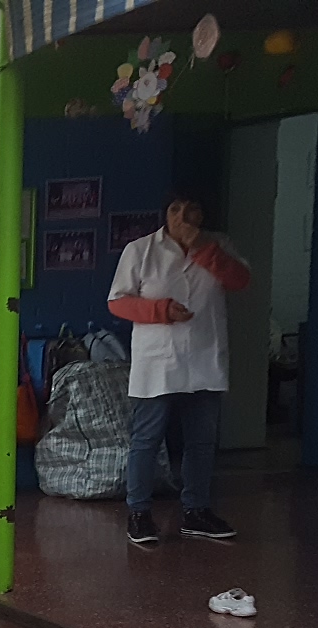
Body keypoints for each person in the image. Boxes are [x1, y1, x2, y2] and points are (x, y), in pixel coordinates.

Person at [108, 191, 249, 546]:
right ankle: (139, 514)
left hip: (205, 355)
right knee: (146, 439)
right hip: (158, 359)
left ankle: (196, 512)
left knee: (201, 441)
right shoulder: (141, 249)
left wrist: (203, 249)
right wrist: (160, 311)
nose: (182, 217)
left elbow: (240, 281)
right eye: (175, 209)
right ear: (165, 215)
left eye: (192, 209)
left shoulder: (219, 245)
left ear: (203, 215)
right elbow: (118, 302)